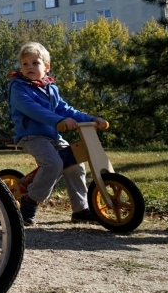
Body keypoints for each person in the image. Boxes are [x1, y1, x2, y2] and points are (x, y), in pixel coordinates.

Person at [8, 42, 108, 226]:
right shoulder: (18, 87)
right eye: (25, 64)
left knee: (76, 164)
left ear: (46, 67)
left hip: (53, 135)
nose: (29, 67)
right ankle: (29, 202)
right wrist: (57, 121)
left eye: (35, 63)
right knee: (53, 164)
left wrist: (91, 119)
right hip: (32, 135)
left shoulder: (50, 88)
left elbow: (65, 109)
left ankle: (80, 209)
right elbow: (33, 110)